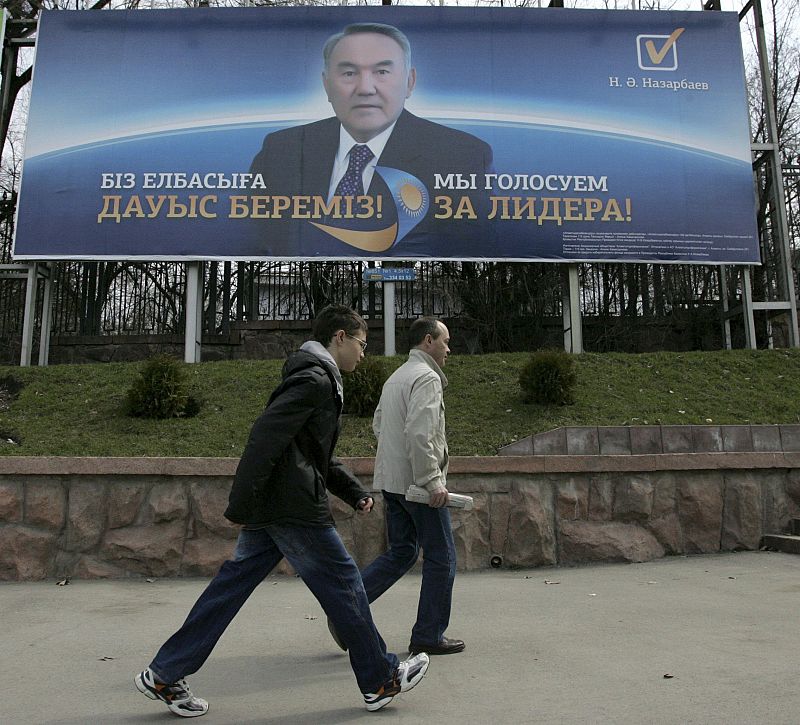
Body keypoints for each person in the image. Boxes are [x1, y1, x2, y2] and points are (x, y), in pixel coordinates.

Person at [134, 305, 430, 717]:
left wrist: (352, 491)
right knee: (344, 584)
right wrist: (240, 502)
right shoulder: (314, 379)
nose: (365, 353)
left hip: (277, 504)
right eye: (362, 344)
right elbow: (264, 436)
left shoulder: (316, 377)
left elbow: (312, 452)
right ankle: (381, 678)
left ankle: (164, 673)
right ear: (339, 337)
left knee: (231, 586)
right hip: (292, 507)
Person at [249, 22, 494, 257]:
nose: (365, 88)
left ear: (410, 82)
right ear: (326, 85)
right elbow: (255, 235)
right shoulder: (281, 150)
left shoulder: (462, 155)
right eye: (349, 72)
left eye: (382, 72)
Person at [330, 317, 463, 657]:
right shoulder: (426, 378)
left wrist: (396, 461)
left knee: (402, 551)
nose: (449, 348)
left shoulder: (397, 377)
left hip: (392, 484)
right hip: (419, 487)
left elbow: (379, 424)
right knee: (442, 557)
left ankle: (346, 611)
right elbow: (420, 434)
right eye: (445, 341)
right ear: (429, 341)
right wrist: (432, 480)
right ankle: (428, 635)